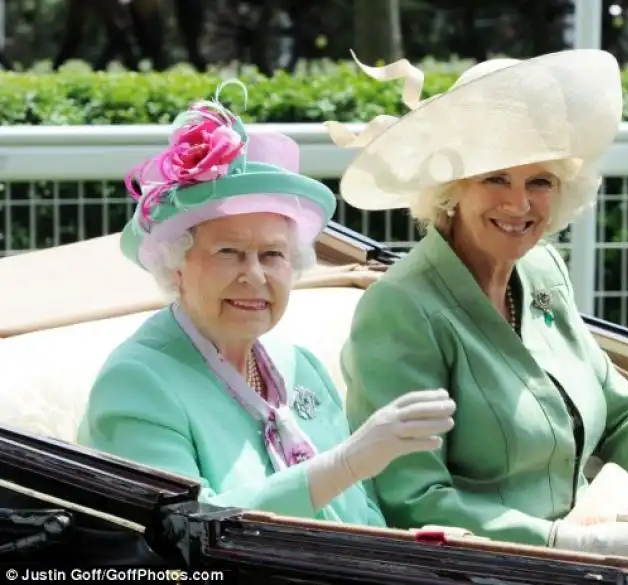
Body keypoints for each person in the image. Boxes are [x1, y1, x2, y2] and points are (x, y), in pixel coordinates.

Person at [325, 50, 628, 561]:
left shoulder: (542, 272)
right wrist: (565, 543)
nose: (518, 205)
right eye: (495, 178)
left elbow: (621, 413)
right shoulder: (401, 308)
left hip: (595, 557)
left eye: (539, 182)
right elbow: (410, 499)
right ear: (452, 187)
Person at [75, 80, 456, 526]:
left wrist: (412, 552)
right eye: (228, 253)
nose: (254, 276)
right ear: (176, 266)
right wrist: (346, 462)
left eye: (272, 255)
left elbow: (365, 515)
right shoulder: (137, 382)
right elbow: (184, 532)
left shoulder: (299, 365)